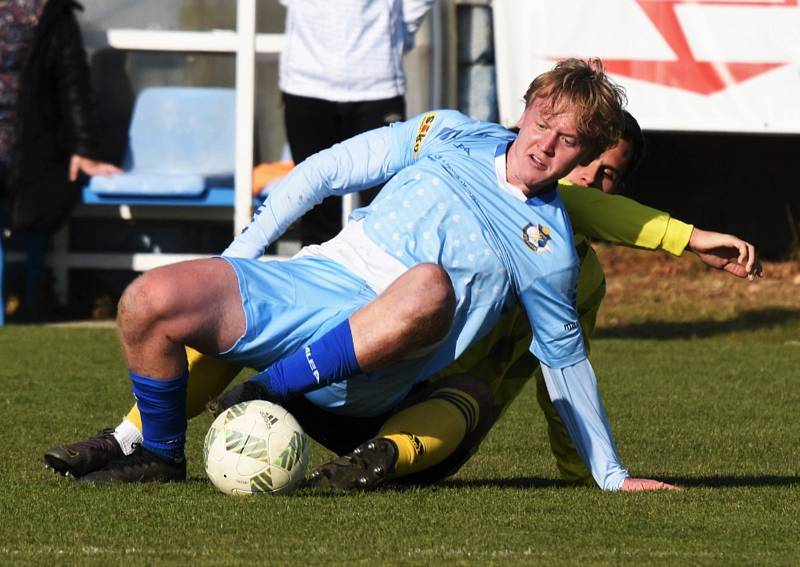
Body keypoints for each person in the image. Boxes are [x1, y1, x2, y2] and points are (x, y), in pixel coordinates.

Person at [45, 59, 755, 491]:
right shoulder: (446, 130)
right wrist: (241, 259)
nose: (547, 144)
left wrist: (609, 473)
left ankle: (265, 390)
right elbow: (326, 170)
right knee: (150, 299)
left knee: (428, 284)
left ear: (582, 157)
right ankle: (159, 452)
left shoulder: (553, 248)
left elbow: (565, 366)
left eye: (570, 141)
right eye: (544, 121)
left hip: (376, 363)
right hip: (314, 283)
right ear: (525, 109)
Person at [0, 0, 120, 322]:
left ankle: (36, 290)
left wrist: (84, 150)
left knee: (40, 199)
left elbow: (73, 84)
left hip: (32, 144)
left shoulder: (53, 15)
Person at [278, 0, 435, 245]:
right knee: (314, 211)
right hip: (306, 83)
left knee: (385, 210)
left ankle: (382, 284)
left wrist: (396, 34)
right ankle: (316, 283)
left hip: (378, 87)